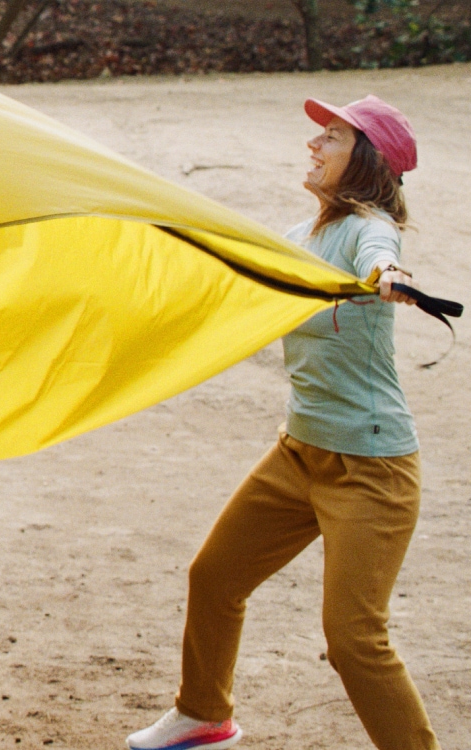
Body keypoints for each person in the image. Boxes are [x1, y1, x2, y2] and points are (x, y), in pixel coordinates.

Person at [126, 96, 438, 750]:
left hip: (370, 470)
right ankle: (204, 713)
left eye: (332, 137)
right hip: (298, 455)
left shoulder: (366, 229)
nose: (313, 146)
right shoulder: (302, 239)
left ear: (367, 160)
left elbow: (382, 249)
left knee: (354, 641)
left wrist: (389, 276)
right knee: (213, 578)